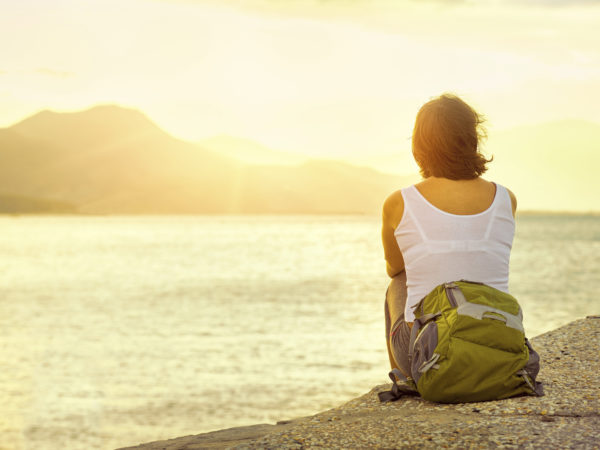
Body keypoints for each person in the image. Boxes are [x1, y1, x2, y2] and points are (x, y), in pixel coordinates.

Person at [382, 93, 517, 378]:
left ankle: (407, 379)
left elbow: (395, 268)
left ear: (420, 145)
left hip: (426, 355)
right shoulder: (506, 199)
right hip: (497, 347)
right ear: (472, 139)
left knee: (397, 284)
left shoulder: (399, 202)